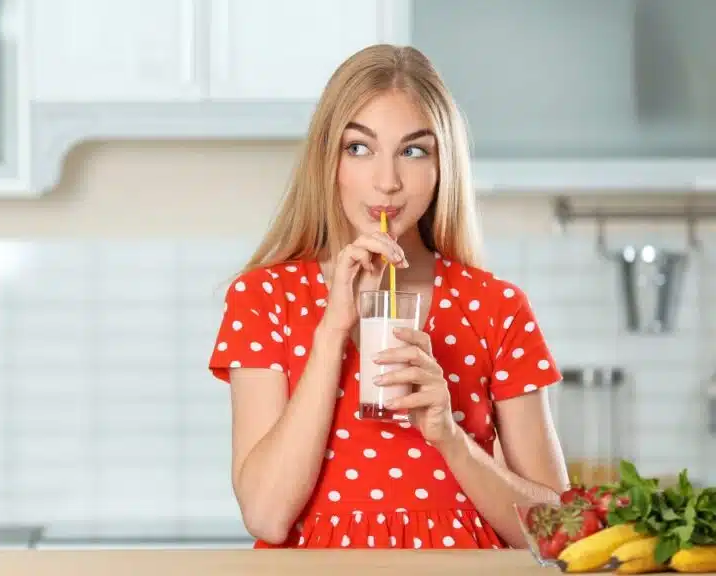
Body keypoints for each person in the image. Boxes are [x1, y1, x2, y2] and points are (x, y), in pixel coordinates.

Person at [206, 44, 569, 550]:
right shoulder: (266, 298)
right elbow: (266, 516)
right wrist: (333, 330)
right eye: (359, 148)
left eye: (413, 151)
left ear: (443, 167)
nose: (387, 181)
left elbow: (559, 532)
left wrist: (451, 437)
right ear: (327, 160)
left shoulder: (496, 307)